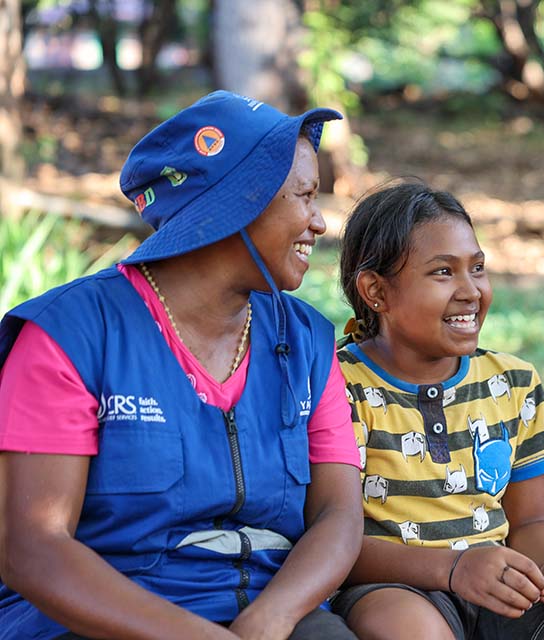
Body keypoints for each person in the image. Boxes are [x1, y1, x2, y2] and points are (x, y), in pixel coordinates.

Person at [0, 91, 363, 640]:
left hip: (268, 611)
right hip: (100, 621)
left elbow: (339, 513)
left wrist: (273, 617)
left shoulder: (306, 339)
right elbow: (33, 546)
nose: (319, 223)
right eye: (304, 196)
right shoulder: (69, 336)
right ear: (240, 201)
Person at [330, 181, 544, 640]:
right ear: (375, 291)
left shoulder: (513, 382)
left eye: (477, 268)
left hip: (499, 581)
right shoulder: (339, 386)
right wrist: (454, 567)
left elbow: (532, 522)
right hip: (391, 585)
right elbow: (330, 538)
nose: (470, 290)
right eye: (443, 272)